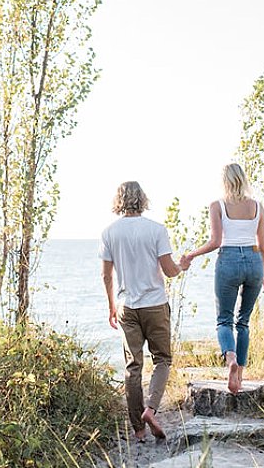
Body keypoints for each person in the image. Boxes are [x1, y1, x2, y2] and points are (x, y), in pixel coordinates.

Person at [99, 180, 184, 442]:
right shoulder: (156, 230)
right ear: (142, 199)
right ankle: (151, 409)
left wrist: (112, 305)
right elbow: (169, 270)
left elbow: (106, 275)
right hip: (155, 304)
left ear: (119, 201)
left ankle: (138, 429)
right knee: (162, 359)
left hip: (127, 306)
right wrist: (181, 265)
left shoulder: (109, 232)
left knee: (132, 366)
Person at [180, 163, 264, 394]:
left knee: (224, 320)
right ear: (243, 179)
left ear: (225, 182)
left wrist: (191, 254)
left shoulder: (217, 206)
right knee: (243, 322)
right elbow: (262, 245)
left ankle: (230, 358)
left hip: (229, 261)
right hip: (254, 263)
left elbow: (215, 242)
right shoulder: (258, 207)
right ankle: (239, 376)